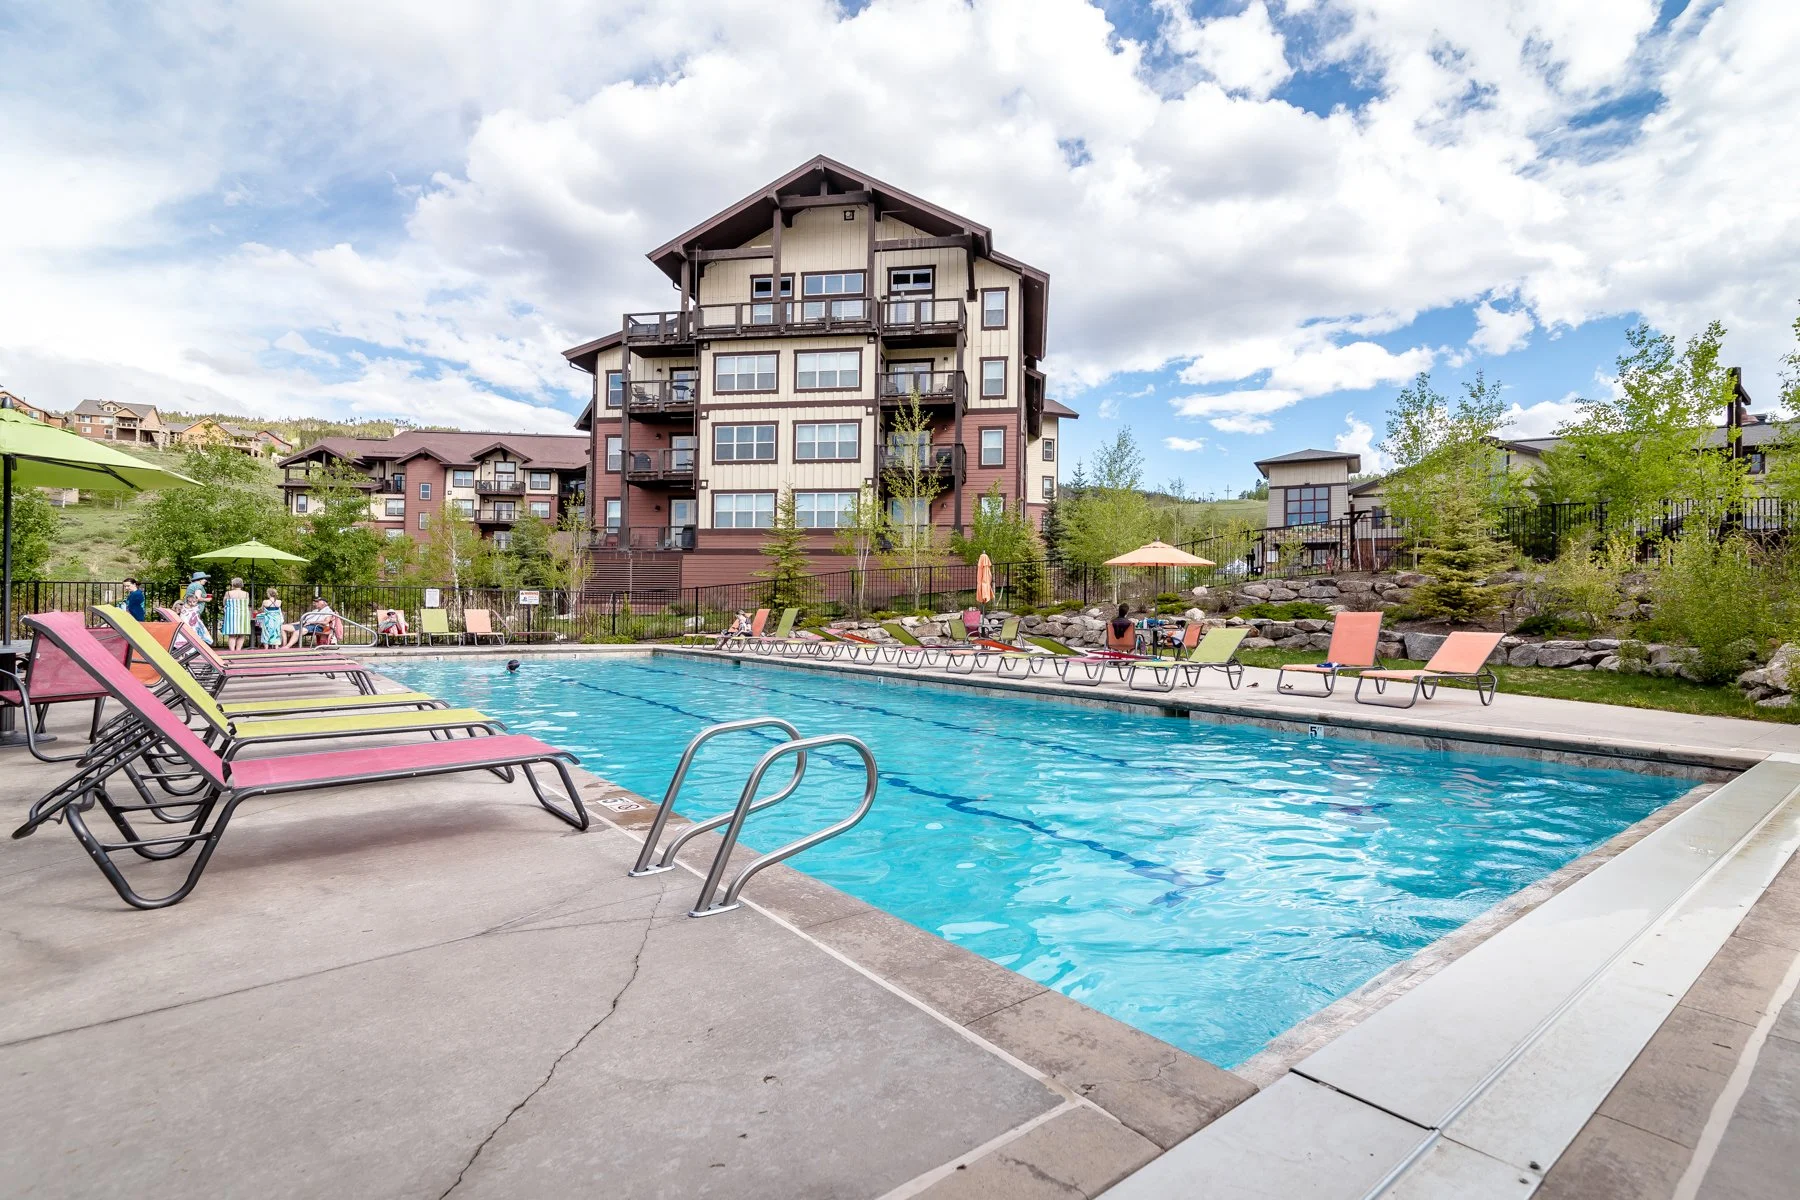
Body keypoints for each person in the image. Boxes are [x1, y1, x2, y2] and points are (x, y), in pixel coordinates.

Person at [220, 578, 251, 651]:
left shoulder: (228, 593)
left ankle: (232, 651)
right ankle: (238, 650)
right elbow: (247, 603)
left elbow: (224, 603)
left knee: (232, 634)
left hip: (231, 615)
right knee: (242, 634)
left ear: (233, 584)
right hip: (243, 615)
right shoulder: (246, 594)